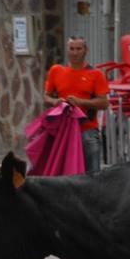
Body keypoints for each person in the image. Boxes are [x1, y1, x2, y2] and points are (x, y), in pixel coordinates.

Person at [43, 36, 109, 174]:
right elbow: (46, 97)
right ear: (67, 49)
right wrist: (55, 101)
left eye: (79, 49)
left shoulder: (96, 74)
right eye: (72, 48)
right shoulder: (56, 71)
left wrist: (81, 102)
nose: (75, 52)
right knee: (63, 173)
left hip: (87, 131)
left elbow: (104, 103)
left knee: (93, 175)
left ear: (86, 50)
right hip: (62, 131)